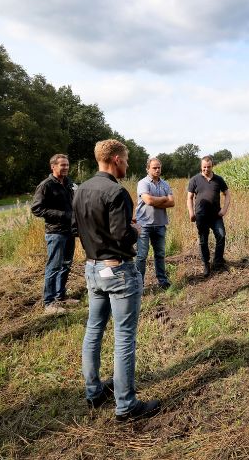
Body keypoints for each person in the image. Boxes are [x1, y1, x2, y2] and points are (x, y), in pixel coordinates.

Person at [72, 139, 161, 422]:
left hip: (92, 268)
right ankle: (126, 405)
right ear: (114, 160)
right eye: (125, 159)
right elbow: (123, 234)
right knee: (124, 337)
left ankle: (94, 390)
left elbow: (76, 228)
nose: (127, 164)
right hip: (118, 270)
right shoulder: (116, 192)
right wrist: (135, 229)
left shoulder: (81, 190)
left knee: (94, 329)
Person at [31, 153, 79, 314]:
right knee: (54, 266)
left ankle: (61, 296)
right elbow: (37, 209)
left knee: (66, 264)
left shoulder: (69, 183)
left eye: (67, 164)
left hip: (70, 231)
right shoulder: (46, 185)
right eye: (62, 165)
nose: (65, 167)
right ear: (53, 166)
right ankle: (49, 302)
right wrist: (63, 215)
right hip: (55, 232)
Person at [186, 155, 231, 278]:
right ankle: (206, 264)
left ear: (212, 166)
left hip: (216, 215)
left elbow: (227, 194)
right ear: (201, 167)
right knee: (203, 240)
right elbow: (189, 198)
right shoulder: (194, 180)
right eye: (204, 167)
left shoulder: (218, 179)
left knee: (221, 235)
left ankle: (217, 262)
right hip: (201, 216)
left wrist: (224, 209)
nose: (206, 169)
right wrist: (191, 213)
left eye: (209, 167)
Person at [135, 157, 175, 290]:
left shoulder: (165, 184)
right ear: (148, 169)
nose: (157, 170)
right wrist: (163, 199)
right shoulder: (143, 183)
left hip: (160, 224)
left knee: (160, 254)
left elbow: (172, 202)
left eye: (159, 167)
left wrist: (158, 200)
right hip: (144, 224)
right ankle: (139, 285)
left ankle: (162, 281)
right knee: (141, 256)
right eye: (154, 168)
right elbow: (148, 201)